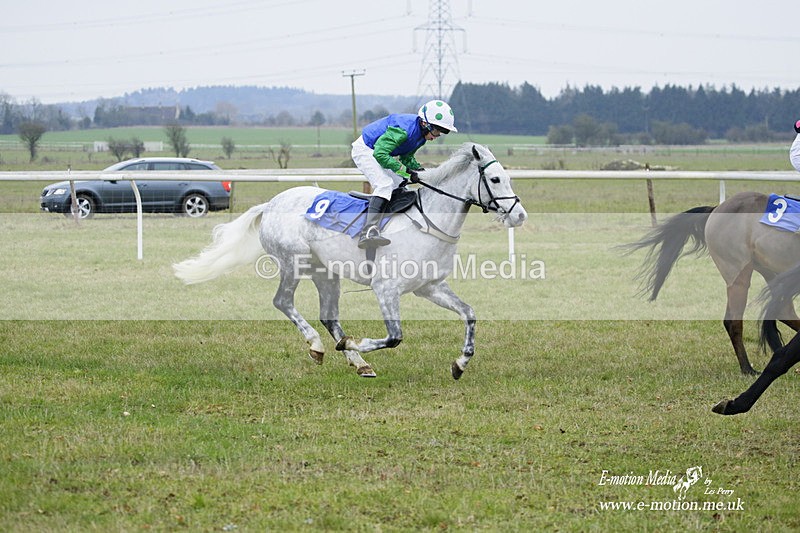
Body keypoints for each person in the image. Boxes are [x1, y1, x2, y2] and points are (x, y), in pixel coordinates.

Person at [351, 99, 457, 248]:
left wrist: (419, 171)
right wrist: (406, 171)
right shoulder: (404, 131)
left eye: (441, 133)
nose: (436, 136)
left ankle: (393, 225)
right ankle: (368, 231)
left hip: (380, 152)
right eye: (436, 131)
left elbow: (406, 158)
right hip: (366, 149)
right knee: (384, 184)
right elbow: (380, 154)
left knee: (401, 184)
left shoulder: (421, 136)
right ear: (425, 124)